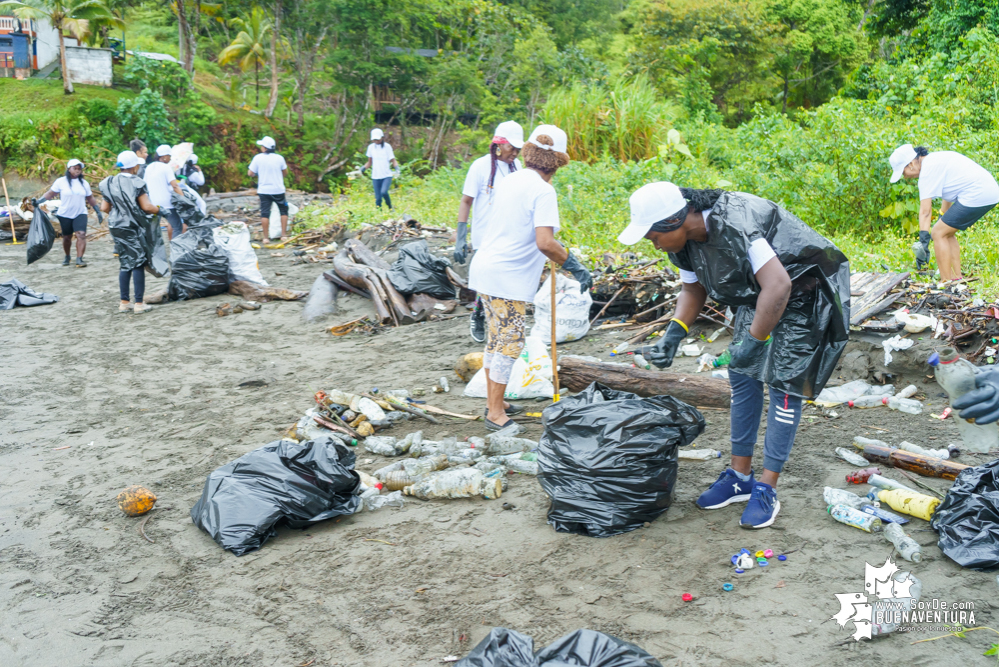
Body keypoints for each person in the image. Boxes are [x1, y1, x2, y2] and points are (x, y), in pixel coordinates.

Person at [617, 183, 850, 529]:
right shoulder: (683, 242)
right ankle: (740, 476)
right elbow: (692, 288)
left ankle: (767, 487)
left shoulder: (737, 223)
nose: (654, 244)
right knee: (743, 379)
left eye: (653, 237)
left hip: (803, 293)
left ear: (674, 221)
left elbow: (780, 285)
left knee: (785, 388)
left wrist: (755, 341)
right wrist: (674, 333)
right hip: (760, 296)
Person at [468, 124, 592, 431]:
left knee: (497, 339)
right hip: (505, 277)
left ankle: (495, 401)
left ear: (529, 153)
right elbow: (545, 243)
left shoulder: (512, 179)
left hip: (486, 266)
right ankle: (496, 414)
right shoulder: (543, 190)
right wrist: (576, 266)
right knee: (510, 342)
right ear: (559, 161)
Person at [455, 120, 525, 343]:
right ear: (498, 144)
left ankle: (500, 321)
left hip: (509, 235)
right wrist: (460, 236)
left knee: (505, 281)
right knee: (483, 283)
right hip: (484, 236)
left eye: (517, 149)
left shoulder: (519, 168)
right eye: (511, 148)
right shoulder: (480, 166)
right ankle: (478, 314)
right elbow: (466, 201)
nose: (514, 152)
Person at [889, 144, 999, 281]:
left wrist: (923, 241)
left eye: (903, 173)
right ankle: (955, 278)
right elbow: (949, 192)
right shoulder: (935, 160)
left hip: (978, 193)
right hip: (989, 191)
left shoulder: (926, 172)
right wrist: (943, 216)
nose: (905, 177)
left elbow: (925, 212)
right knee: (946, 232)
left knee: (937, 233)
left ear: (910, 164)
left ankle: (946, 282)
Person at [99, 151, 163, 314]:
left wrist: (119, 215)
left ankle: (124, 302)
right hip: (133, 226)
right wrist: (160, 210)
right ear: (134, 166)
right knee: (138, 262)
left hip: (116, 226)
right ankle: (139, 304)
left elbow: (104, 208)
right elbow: (147, 207)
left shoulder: (109, 182)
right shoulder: (137, 182)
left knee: (125, 262)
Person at [37, 159, 103, 268]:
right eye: (75, 168)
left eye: (79, 169)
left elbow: (90, 198)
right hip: (65, 214)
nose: (77, 171)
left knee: (81, 234)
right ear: (69, 169)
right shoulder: (61, 182)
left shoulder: (84, 183)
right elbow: (50, 194)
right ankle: (67, 256)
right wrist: (39, 201)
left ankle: (79, 259)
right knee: (67, 237)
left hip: (80, 213)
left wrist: (97, 210)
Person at [248, 135, 289, 240]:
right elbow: (285, 172)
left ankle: (266, 238)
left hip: (264, 190)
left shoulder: (258, 158)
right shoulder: (280, 158)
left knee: (265, 213)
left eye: (262, 146)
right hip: (278, 189)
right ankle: (283, 235)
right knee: (283, 211)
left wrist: (257, 174)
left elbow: (250, 173)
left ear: (265, 148)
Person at [144, 144, 184, 240]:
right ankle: (175, 251)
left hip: (152, 204)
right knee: (177, 226)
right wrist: (183, 198)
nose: (170, 158)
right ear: (164, 156)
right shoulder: (166, 168)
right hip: (167, 204)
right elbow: (174, 185)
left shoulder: (149, 167)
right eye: (169, 156)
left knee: (153, 230)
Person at [362, 128, 399, 210]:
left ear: (382, 138)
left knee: (384, 192)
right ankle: (379, 213)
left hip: (386, 175)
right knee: (378, 198)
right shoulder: (371, 147)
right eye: (374, 140)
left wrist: (397, 169)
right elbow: (369, 162)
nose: (376, 141)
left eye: (377, 139)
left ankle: (390, 207)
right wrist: (363, 169)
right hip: (375, 176)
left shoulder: (387, 147)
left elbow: (393, 160)